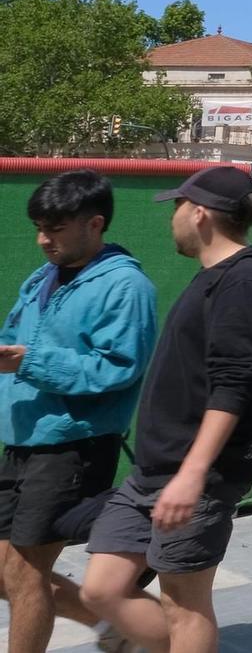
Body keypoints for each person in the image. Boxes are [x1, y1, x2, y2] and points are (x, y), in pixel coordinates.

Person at [81, 166, 252, 653]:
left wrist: (193, 474)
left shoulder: (246, 280)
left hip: (199, 474)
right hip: (156, 469)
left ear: (199, 213)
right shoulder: (214, 277)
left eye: (176, 207)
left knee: (185, 604)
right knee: (102, 589)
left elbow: (235, 384)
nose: (171, 218)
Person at [0, 172, 157, 653]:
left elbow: (118, 369)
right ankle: (118, 624)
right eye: (39, 227)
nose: (43, 239)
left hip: (73, 447)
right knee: (6, 570)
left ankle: (155, 629)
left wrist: (30, 361)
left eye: (56, 228)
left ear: (95, 223)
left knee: (26, 573)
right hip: (22, 441)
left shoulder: (126, 286)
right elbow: (13, 338)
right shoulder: (42, 276)